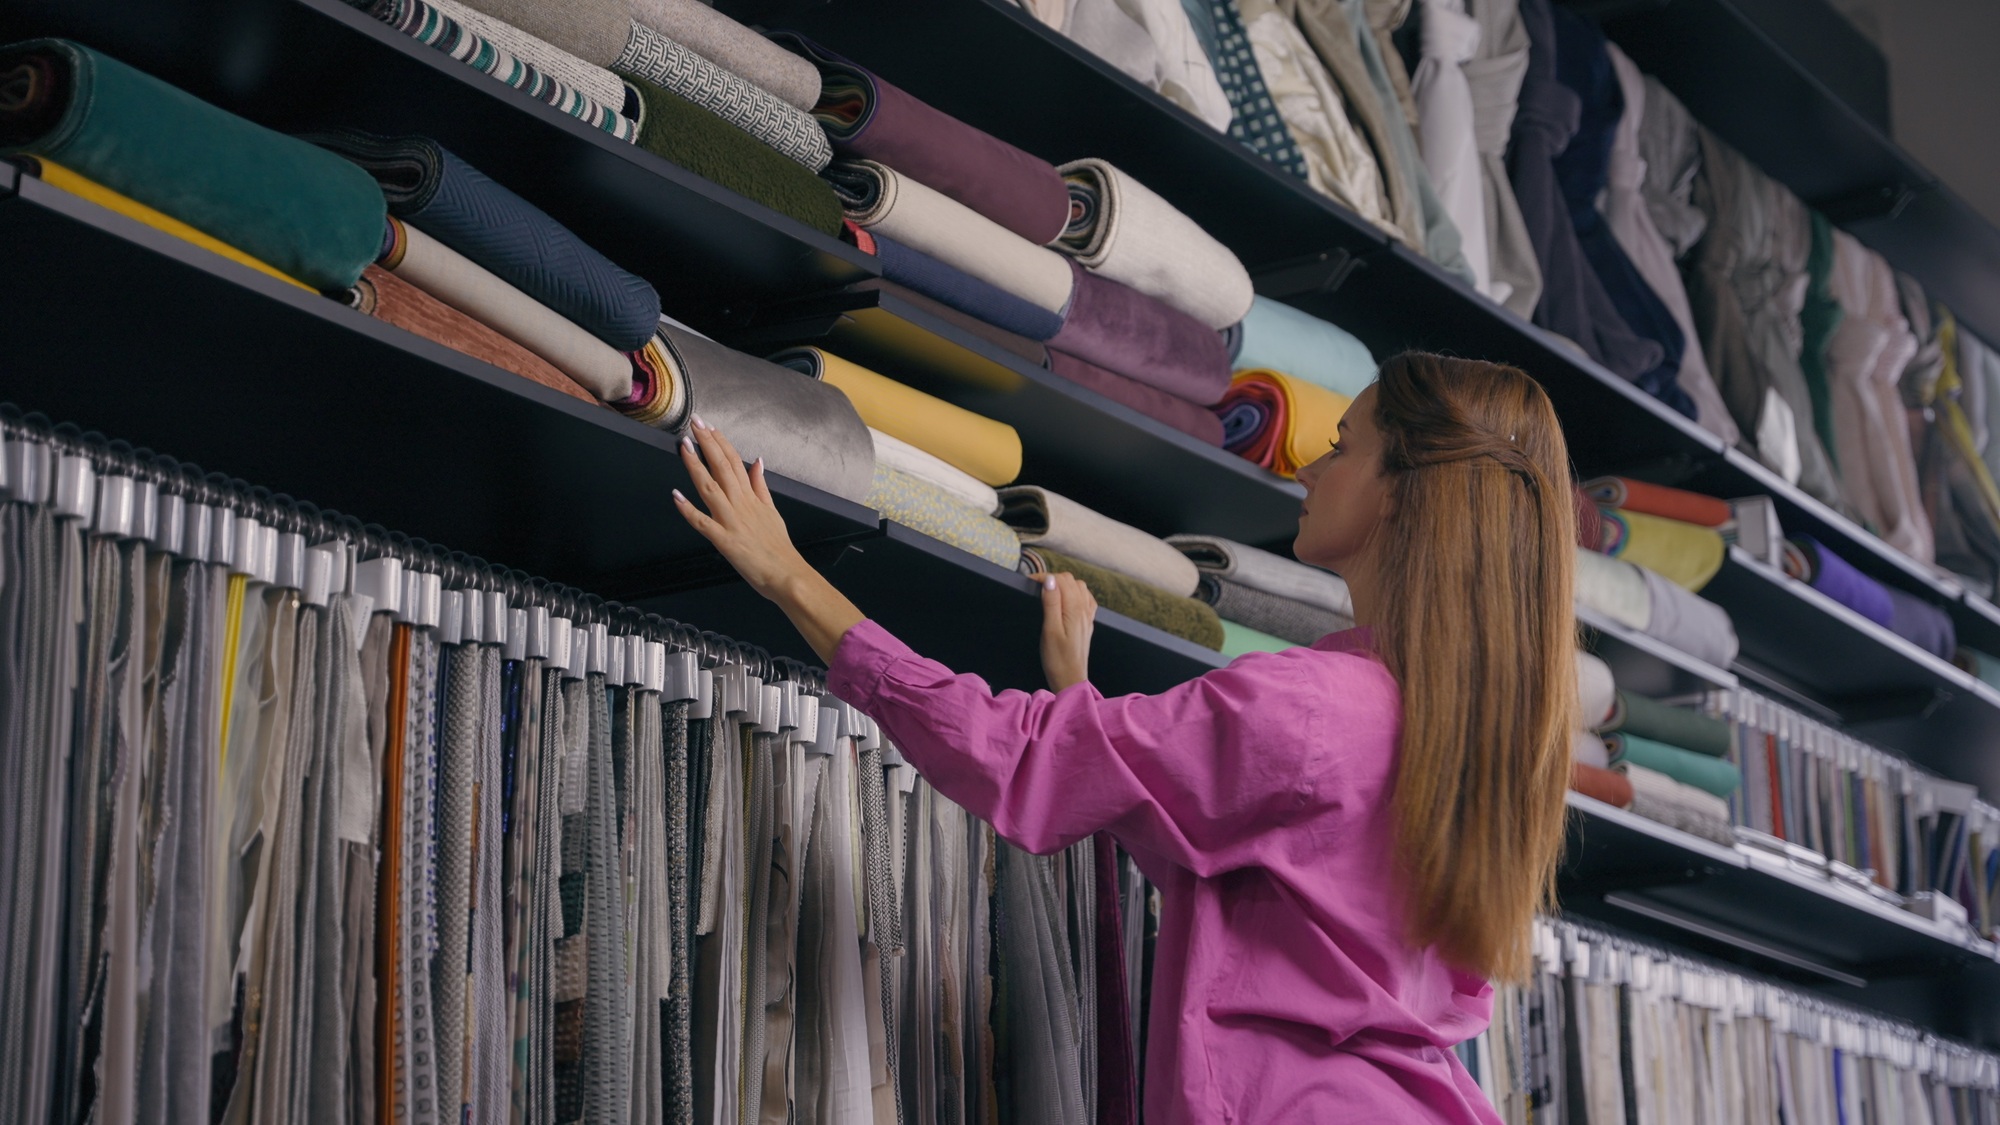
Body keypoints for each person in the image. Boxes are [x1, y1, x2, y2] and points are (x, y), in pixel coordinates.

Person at [671, 351, 1577, 1124]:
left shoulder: (1311, 710)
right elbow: (1219, 855)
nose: (1310, 469)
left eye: (1343, 446)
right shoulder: (1465, 740)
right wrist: (1083, 699)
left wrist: (792, 577)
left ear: (1400, 494)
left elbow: (1013, 754)